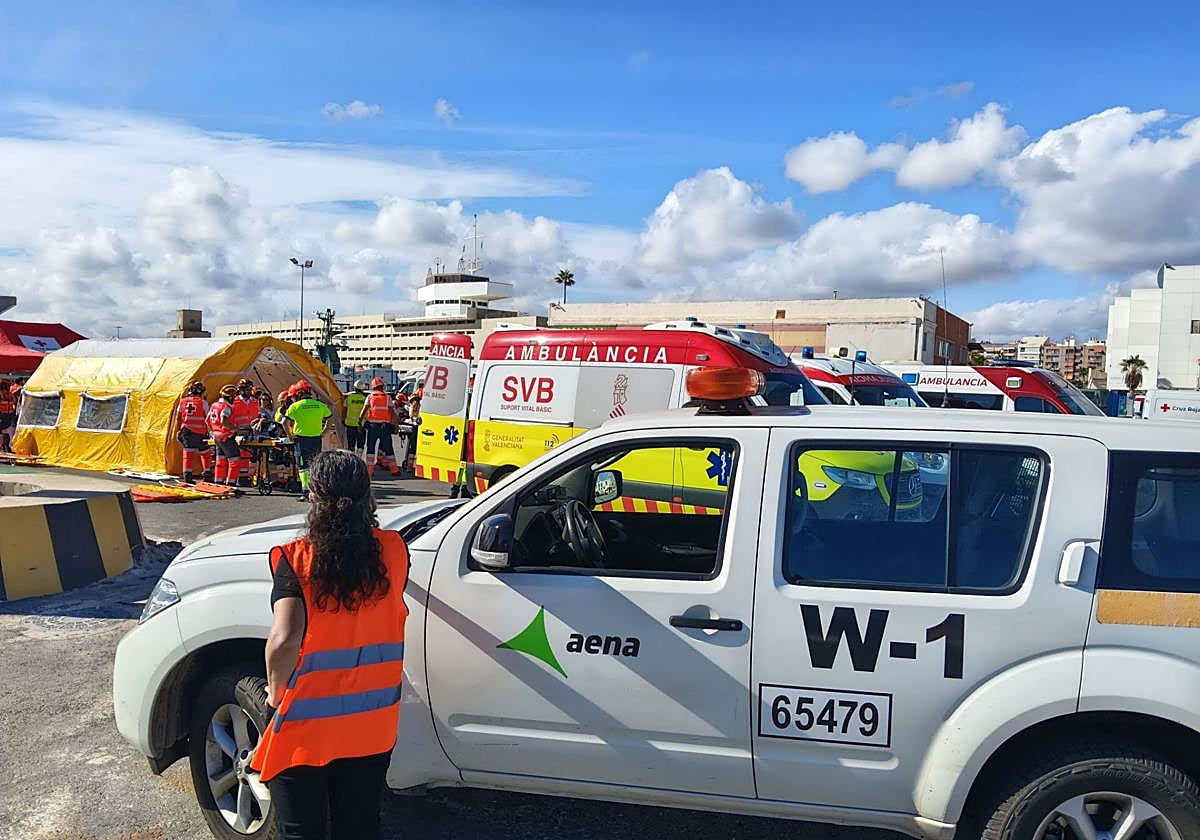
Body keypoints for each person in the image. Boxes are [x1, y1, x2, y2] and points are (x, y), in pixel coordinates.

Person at [250, 450, 408, 840]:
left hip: (306, 727)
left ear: (314, 498)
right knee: (360, 827)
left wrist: (274, 697)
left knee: (302, 831)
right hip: (372, 724)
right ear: (368, 497)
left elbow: (284, 641)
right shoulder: (394, 552)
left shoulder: (297, 558)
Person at [284, 380, 332, 501]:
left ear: (298, 394)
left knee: (303, 466)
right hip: (316, 439)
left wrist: (290, 435)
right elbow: (329, 418)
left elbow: (284, 422)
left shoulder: (295, 406)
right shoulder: (320, 405)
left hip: (301, 440)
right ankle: (316, 490)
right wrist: (324, 431)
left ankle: (305, 491)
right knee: (315, 464)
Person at [363, 377, 399, 478]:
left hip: (372, 426)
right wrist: (395, 425)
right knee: (388, 448)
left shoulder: (370, 397)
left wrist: (360, 422)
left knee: (370, 449)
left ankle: (370, 471)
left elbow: (364, 410)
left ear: (373, 386)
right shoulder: (387, 397)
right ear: (382, 386)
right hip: (385, 426)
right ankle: (394, 470)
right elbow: (393, 413)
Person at [206, 384, 242, 487]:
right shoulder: (226, 407)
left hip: (217, 437)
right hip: (226, 437)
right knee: (234, 460)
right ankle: (231, 484)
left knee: (220, 460)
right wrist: (234, 429)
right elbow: (224, 420)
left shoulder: (214, 405)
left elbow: (207, 420)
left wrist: (212, 431)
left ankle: (218, 482)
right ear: (230, 397)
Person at [175, 381, 211, 483]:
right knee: (205, 453)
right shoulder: (203, 402)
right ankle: (207, 475)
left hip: (186, 432)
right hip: (200, 433)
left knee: (188, 455)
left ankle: (187, 477)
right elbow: (208, 418)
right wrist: (210, 432)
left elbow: (178, 418)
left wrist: (178, 431)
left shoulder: (183, 401)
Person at [233, 378, 259, 486]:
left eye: (249, 389)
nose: (248, 391)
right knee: (242, 455)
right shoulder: (235, 401)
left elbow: (258, 415)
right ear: (241, 390)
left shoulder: (255, 401)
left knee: (253, 455)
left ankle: (251, 475)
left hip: (252, 431)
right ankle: (242, 477)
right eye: (246, 389)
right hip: (239, 431)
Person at [343, 379, 368, 459]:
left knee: (351, 444)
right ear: (363, 389)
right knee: (360, 443)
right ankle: (359, 458)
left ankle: (351, 459)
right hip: (361, 425)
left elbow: (344, 410)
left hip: (350, 424)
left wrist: (343, 420)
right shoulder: (365, 399)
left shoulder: (349, 398)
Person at [0, 381, 17, 454]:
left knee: (8, 433)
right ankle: (4, 447)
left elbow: (14, 401)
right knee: (4, 433)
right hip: (3, 415)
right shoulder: (3, 394)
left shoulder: (10, 395)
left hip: (8, 416)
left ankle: (7, 447)